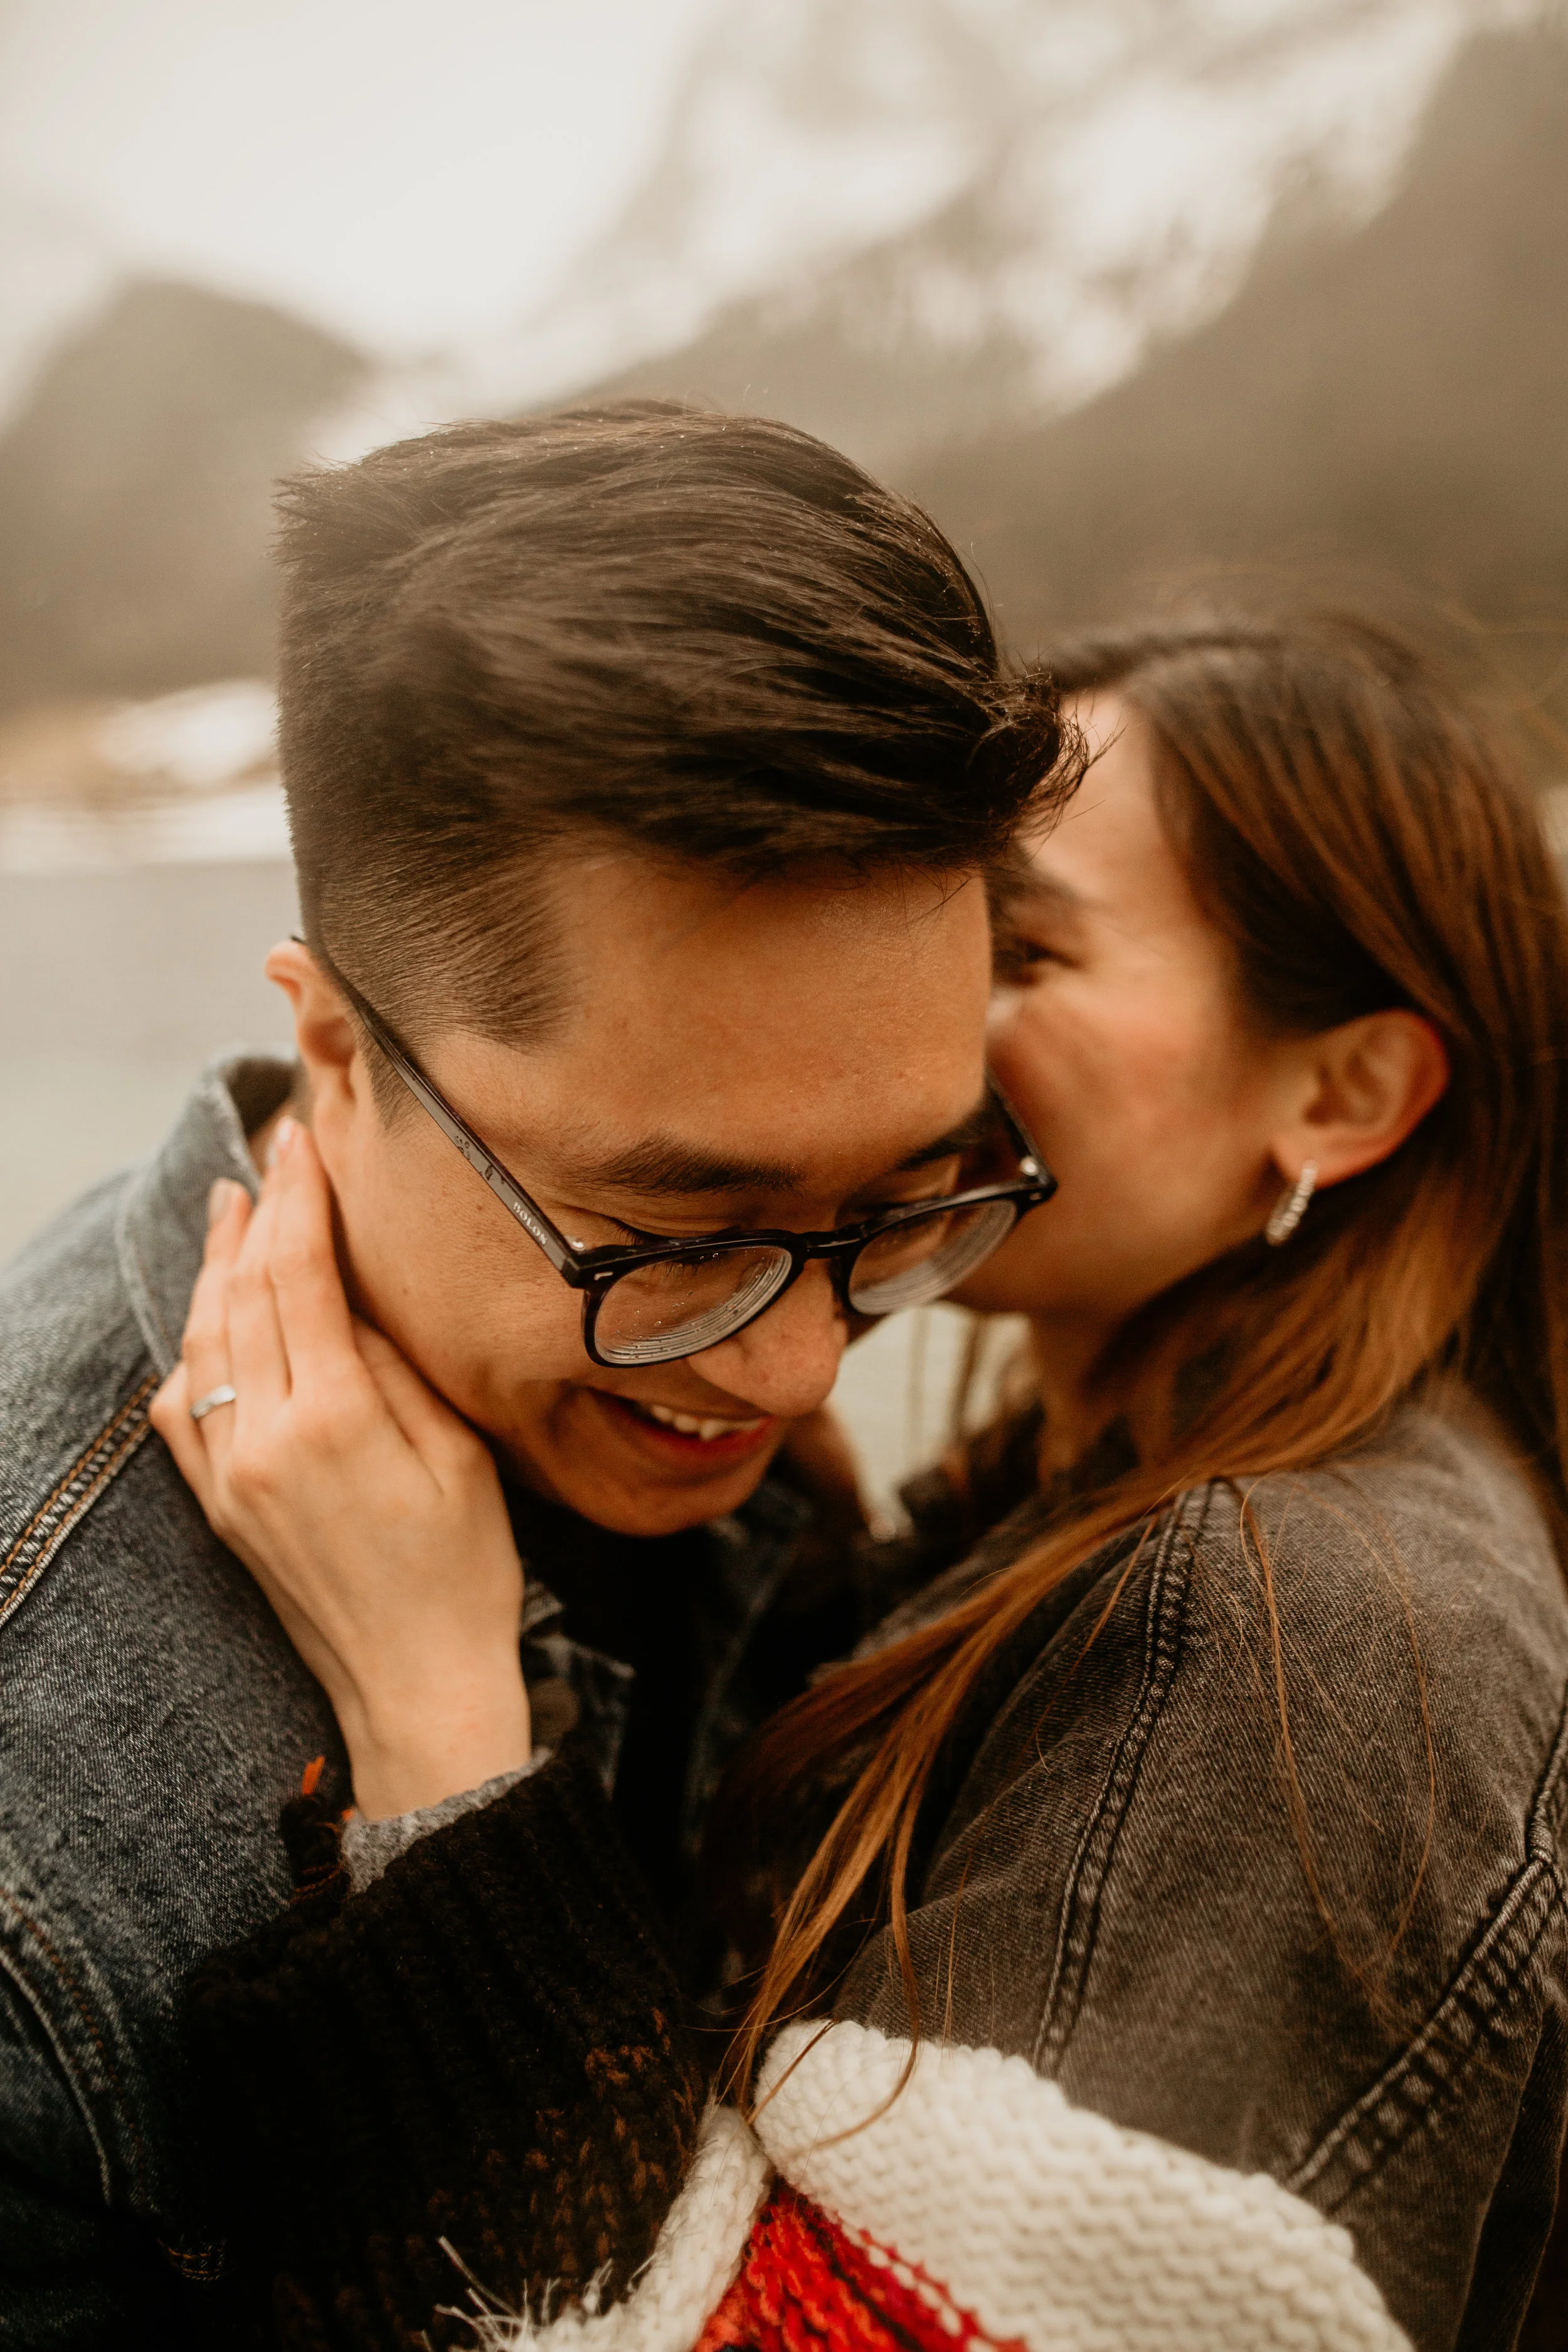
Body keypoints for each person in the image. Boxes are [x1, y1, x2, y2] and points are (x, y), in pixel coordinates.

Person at [162, 614, 1568, 2352]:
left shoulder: (1309, 1628)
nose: (909, 1002)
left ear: (1343, 1089)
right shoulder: (1081, 1492)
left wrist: (436, 1717)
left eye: (1021, 946)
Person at [0, 403, 1064, 2343]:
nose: (803, 1357)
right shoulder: (28, 1817)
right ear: (335, 1050)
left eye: (902, 1200)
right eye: (679, 1229)